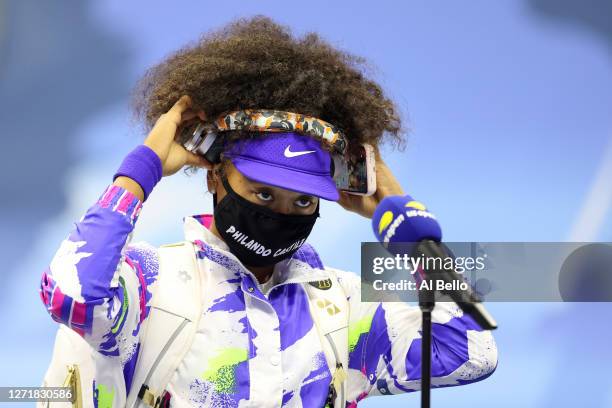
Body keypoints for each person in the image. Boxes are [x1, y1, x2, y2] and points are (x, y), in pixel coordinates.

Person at [39, 16, 497, 407]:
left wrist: (412, 236)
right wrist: (141, 172)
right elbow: (72, 294)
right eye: (262, 194)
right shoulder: (149, 281)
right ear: (214, 177)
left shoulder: (341, 306)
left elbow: (472, 351)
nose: (281, 212)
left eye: (301, 201)